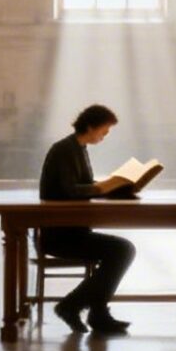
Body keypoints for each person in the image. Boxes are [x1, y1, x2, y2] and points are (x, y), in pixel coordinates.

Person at [38, 104, 137, 335]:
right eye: (104, 130)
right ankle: (74, 307)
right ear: (90, 127)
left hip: (73, 230)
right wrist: (102, 187)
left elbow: (81, 187)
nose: (106, 135)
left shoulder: (78, 148)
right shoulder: (63, 150)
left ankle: (95, 313)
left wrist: (114, 188)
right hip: (59, 235)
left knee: (121, 250)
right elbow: (70, 190)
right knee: (123, 250)